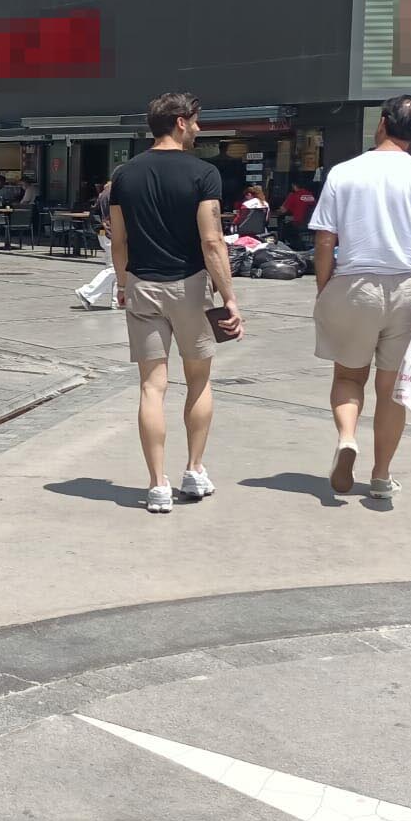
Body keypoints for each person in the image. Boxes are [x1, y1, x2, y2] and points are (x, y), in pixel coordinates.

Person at [309, 94, 411, 505]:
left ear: (381, 123)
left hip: (354, 283)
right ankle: (380, 476)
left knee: (348, 376)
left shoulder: (344, 173)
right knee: (393, 388)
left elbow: (325, 239)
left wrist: (324, 287)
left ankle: (346, 438)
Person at [108, 94, 241, 515]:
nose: (199, 129)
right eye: (197, 121)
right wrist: (229, 297)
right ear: (181, 122)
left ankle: (157, 485)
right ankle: (194, 469)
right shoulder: (203, 173)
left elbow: (118, 240)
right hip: (190, 286)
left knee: (152, 386)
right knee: (198, 380)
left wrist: (122, 282)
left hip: (142, 285)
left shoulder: (124, 175)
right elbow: (212, 240)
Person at [74, 179, 118, 310]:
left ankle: (116, 301)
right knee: (115, 268)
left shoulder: (104, 194)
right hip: (111, 233)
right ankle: (87, 293)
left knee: (115, 267)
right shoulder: (113, 194)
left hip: (105, 232)